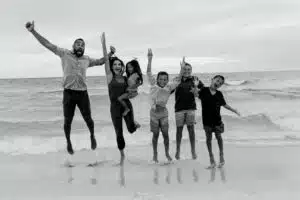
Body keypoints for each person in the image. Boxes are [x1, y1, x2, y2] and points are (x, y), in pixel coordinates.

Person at [25, 21, 115, 155]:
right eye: (78, 44)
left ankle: (92, 135)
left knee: (89, 119)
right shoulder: (64, 53)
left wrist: (110, 53)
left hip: (82, 94)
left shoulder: (87, 59)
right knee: (68, 121)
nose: (80, 46)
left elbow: (101, 62)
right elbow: (47, 44)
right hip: (68, 94)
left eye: (83, 45)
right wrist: (33, 31)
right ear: (73, 46)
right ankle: (68, 141)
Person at [101, 32, 139, 165]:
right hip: (114, 108)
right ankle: (122, 156)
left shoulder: (125, 78)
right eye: (115, 64)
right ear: (112, 67)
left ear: (122, 67)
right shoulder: (109, 77)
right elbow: (106, 60)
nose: (117, 66)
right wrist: (104, 45)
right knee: (119, 133)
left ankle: (135, 124)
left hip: (126, 106)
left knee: (131, 129)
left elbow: (132, 91)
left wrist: (133, 92)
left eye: (119, 64)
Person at [194, 75, 241, 168]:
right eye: (217, 80)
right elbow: (196, 94)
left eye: (220, 83)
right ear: (212, 80)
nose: (218, 83)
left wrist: (234, 110)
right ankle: (211, 159)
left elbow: (224, 105)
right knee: (208, 139)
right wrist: (195, 85)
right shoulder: (204, 90)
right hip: (207, 121)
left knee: (219, 137)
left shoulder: (219, 94)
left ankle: (221, 156)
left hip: (217, 121)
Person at [147, 48, 184, 163]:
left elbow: (178, 79)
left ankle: (167, 154)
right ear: (157, 79)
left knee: (165, 134)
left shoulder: (169, 87)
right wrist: (150, 59)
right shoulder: (153, 84)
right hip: (153, 113)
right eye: (160, 79)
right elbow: (148, 72)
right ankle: (155, 155)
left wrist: (182, 69)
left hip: (163, 113)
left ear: (167, 80)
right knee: (156, 135)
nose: (162, 81)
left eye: (165, 79)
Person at [173, 61, 204, 160]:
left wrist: (197, 89)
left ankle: (193, 151)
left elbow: (202, 92)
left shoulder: (195, 79)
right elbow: (169, 90)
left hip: (191, 108)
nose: (186, 71)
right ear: (181, 70)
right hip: (179, 109)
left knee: (191, 130)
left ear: (191, 70)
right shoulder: (177, 79)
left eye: (188, 69)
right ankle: (177, 151)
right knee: (179, 131)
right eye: (184, 69)